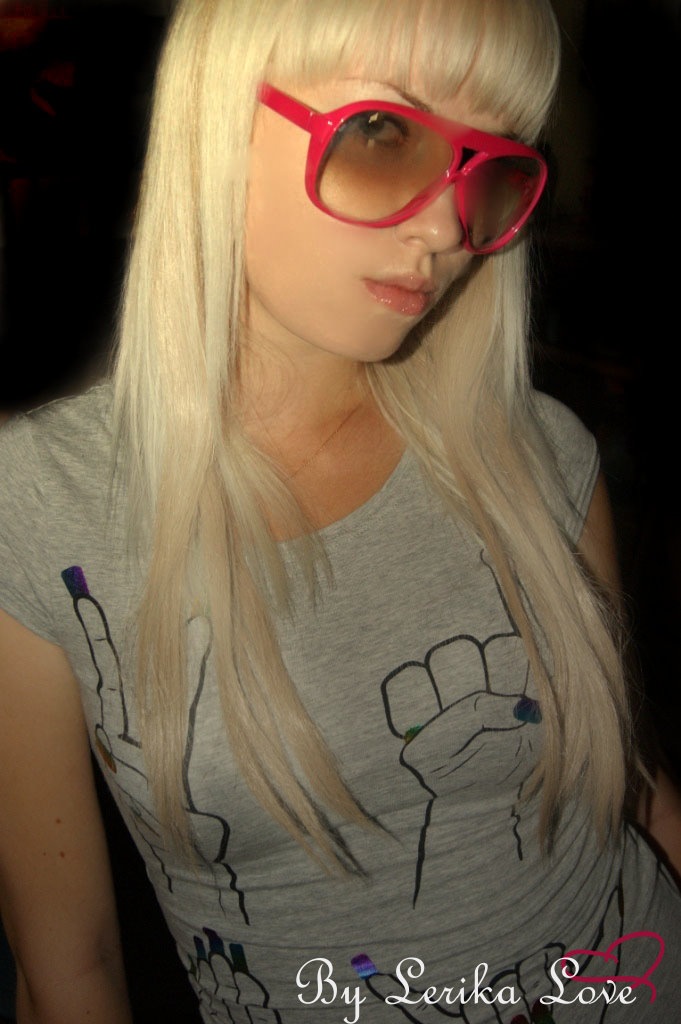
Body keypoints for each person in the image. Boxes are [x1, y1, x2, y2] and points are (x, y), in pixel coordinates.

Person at [0, 1, 679, 1021]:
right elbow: (71, 965)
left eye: (489, 166)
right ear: (219, 118)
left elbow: (632, 786)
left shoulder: (540, 453)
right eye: (380, 134)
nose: (447, 227)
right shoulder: (41, 506)